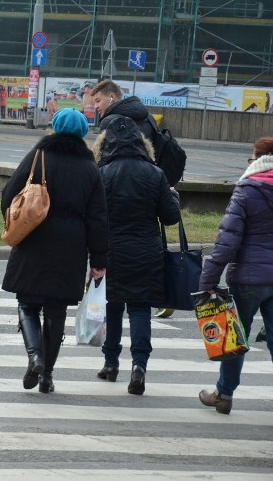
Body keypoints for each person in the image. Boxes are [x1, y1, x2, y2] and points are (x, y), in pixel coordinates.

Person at [2, 108, 108, 393]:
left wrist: (15, 224)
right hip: (72, 245)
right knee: (56, 311)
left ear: (55, 128)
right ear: (83, 133)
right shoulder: (90, 168)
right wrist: (98, 259)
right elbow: (98, 217)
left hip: (34, 237)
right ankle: (47, 375)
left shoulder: (38, 157)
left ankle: (34, 355)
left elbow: (9, 193)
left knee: (27, 303)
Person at [197, 137, 273, 431]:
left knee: (235, 339)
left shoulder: (248, 189)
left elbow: (226, 241)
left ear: (259, 158)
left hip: (248, 278)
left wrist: (208, 279)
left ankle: (224, 395)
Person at [93, 116, 180, 395]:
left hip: (112, 250)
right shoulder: (155, 174)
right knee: (140, 309)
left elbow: (93, 216)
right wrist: (173, 197)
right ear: (143, 145)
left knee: (113, 305)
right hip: (146, 251)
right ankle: (139, 366)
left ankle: (110, 363)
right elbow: (169, 217)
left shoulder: (102, 173)